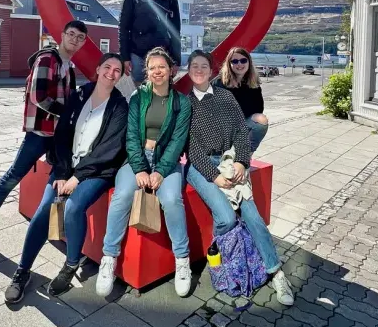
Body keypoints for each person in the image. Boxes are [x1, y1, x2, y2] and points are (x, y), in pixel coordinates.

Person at [4, 53, 128, 304]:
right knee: (43, 212)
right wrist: (62, 172)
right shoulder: (80, 95)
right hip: (66, 167)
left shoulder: (120, 106)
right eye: (107, 67)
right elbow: (61, 135)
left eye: (117, 70)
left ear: (121, 76)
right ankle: (22, 271)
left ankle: (71, 265)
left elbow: (110, 149)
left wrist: (78, 177)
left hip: (97, 172)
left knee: (72, 207)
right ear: (98, 68)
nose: (111, 73)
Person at [0, 20, 88, 260]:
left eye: (80, 37)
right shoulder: (48, 60)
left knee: (61, 182)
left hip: (58, 137)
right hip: (40, 134)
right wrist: (69, 113)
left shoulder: (69, 67)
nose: (75, 40)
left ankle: (57, 231)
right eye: (71, 34)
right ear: (62, 35)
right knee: (13, 177)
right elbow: (39, 96)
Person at [185, 50, 294, 306]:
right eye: (194, 66)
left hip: (229, 160)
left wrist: (242, 162)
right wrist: (215, 176)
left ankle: (275, 271)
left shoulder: (225, 97)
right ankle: (220, 259)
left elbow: (240, 134)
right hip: (200, 166)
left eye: (204, 66)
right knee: (224, 217)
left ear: (211, 70)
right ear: (188, 70)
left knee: (253, 217)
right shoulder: (185, 104)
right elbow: (190, 148)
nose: (199, 70)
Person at [96, 47, 192, 298]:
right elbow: (130, 136)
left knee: (171, 199)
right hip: (138, 158)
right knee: (122, 196)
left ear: (171, 71)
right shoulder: (138, 97)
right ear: (146, 72)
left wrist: (160, 171)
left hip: (166, 162)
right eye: (152, 68)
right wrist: (139, 168)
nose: (157, 71)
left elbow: (178, 141)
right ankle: (109, 258)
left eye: (162, 67)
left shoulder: (181, 102)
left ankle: (182, 260)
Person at [119, 0, 181, 85]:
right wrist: (124, 57)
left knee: (162, 93)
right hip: (137, 54)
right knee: (141, 95)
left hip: (163, 54)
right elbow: (123, 28)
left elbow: (176, 31)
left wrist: (176, 60)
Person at [214, 47, 268, 153]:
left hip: (242, 125)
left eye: (243, 60)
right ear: (229, 64)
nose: (239, 64)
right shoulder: (219, 84)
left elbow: (258, 110)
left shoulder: (253, 85)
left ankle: (246, 154)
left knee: (261, 119)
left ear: (249, 62)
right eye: (234, 61)